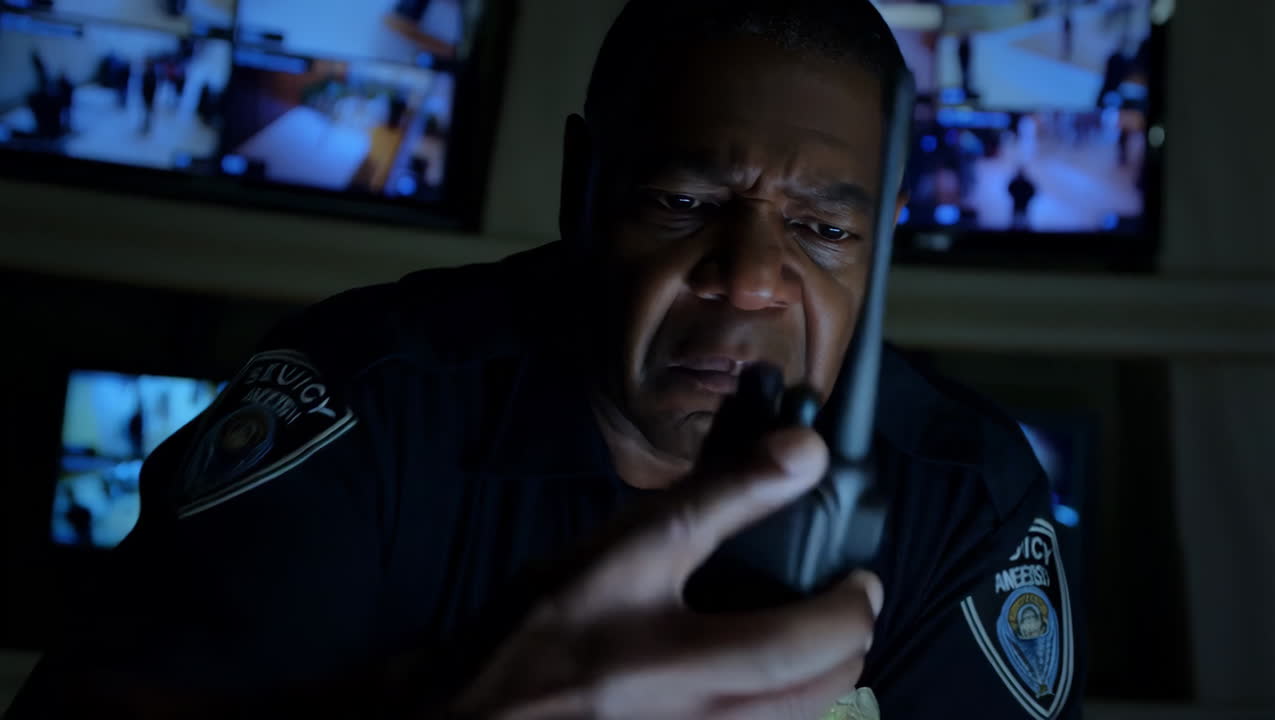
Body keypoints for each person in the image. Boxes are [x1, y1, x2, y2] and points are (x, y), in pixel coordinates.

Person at [7, 1, 1080, 718]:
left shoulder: (962, 494)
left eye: (824, 229)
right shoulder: (366, 402)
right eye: (683, 201)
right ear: (582, 189)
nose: (751, 279)